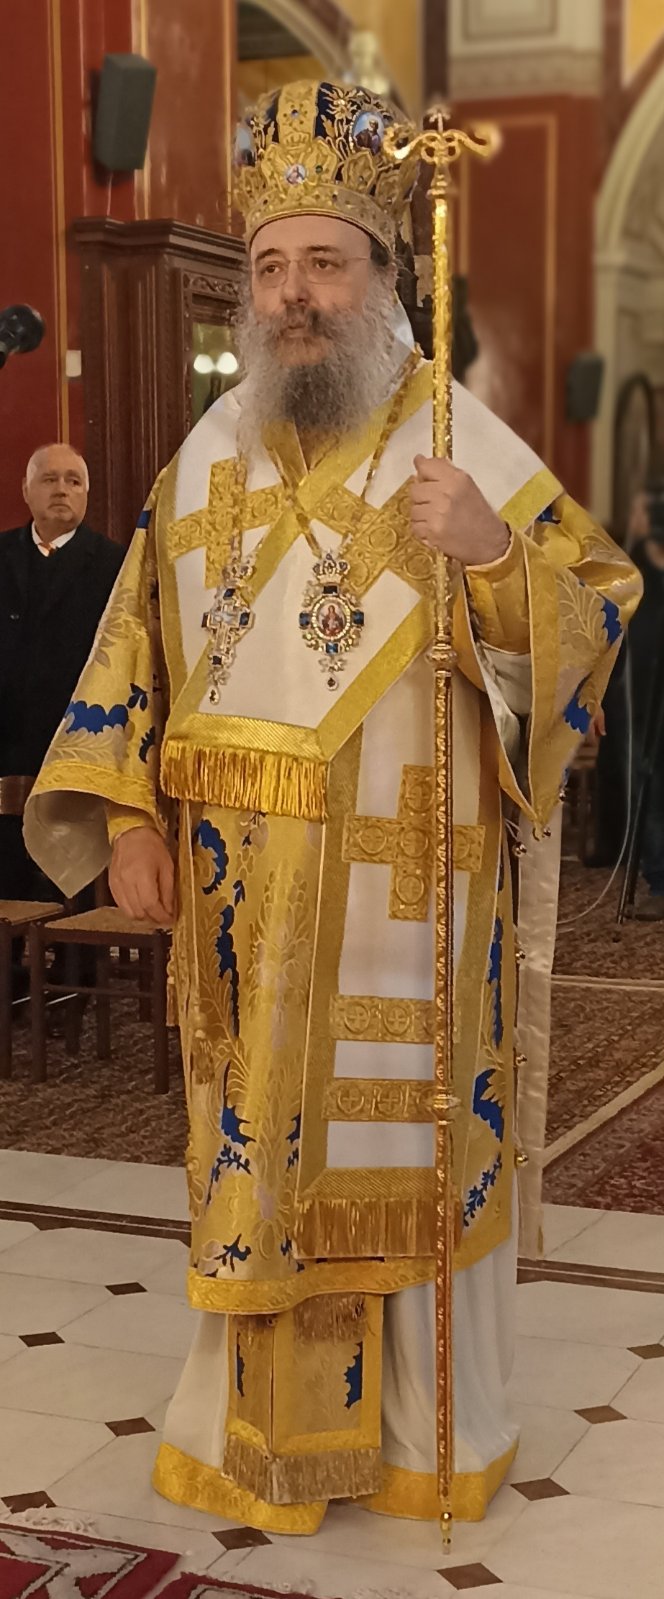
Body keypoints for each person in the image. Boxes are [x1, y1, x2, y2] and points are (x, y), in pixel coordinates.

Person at [24, 81, 641, 1533]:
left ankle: (428, 1434)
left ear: (385, 274)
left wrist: (491, 554)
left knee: (402, 1153)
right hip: (242, 913)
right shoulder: (204, 456)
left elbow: (602, 604)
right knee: (257, 1159)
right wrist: (129, 821)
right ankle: (253, 1434)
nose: (295, 293)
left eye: (326, 262)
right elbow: (130, 656)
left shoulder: (461, 440)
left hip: (406, 901)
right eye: (271, 267)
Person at [0, 446, 124, 982]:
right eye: (49, 479)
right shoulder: (3, 554)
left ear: (87, 494)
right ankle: (9, 980)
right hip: (8, 738)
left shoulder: (114, 564)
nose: (61, 490)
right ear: (27, 491)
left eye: (73, 480)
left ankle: (76, 978)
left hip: (76, 737)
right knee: (7, 867)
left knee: (68, 863)